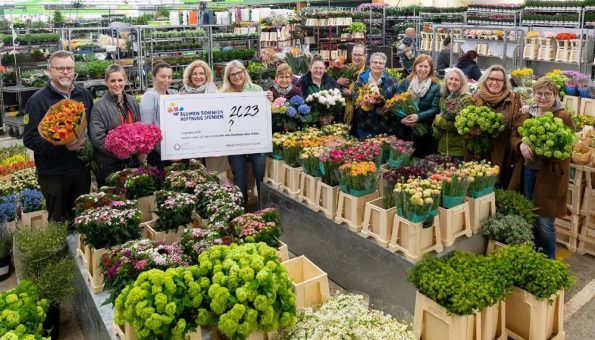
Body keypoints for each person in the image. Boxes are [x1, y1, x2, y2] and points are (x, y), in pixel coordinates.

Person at [23, 50, 93, 222]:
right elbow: (30, 139)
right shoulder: (37, 100)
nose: (65, 72)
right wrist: (61, 145)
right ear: (50, 71)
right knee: (58, 219)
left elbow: (90, 126)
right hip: (53, 173)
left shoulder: (84, 95)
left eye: (69, 68)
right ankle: (61, 249)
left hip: (80, 169)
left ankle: (80, 249)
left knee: (81, 216)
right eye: (60, 68)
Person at [509, 77, 575, 259]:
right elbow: (514, 135)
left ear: (555, 95)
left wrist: (546, 149)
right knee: (529, 216)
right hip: (528, 172)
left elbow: (569, 148)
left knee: (545, 222)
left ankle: (549, 261)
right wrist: (521, 144)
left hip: (549, 176)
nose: (543, 97)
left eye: (548, 93)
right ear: (534, 94)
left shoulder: (563, 116)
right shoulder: (528, 113)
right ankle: (533, 256)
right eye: (539, 93)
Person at [221, 60, 266, 206]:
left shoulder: (257, 90)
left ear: (244, 72)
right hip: (235, 143)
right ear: (228, 78)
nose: (236, 76)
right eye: (232, 74)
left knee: (260, 174)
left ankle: (263, 206)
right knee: (239, 176)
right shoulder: (223, 94)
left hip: (256, 141)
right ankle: (242, 208)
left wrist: (269, 101)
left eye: (238, 73)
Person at [89, 64, 142, 188]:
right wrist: (121, 152)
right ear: (106, 82)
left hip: (132, 162)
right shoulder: (99, 107)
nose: (117, 84)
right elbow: (98, 139)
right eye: (112, 81)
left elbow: (139, 127)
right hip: (110, 166)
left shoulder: (131, 101)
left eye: (120, 80)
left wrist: (139, 150)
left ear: (125, 80)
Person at [471, 65, 522, 187]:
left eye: (499, 80)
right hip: (479, 154)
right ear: (486, 79)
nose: (494, 82)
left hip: (503, 155)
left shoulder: (514, 100)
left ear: (504, 83)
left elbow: (517, 127)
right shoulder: (475, 98)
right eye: (491, 79)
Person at [179, 60, 227, 174]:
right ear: (190, 76)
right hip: (191, 142)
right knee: (195, 176)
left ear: (207, 76)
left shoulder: (215, 93)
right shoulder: (181, 93)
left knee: (214, 177)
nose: (198, 76)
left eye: (201, 73)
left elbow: (221, 120)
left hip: (213, 143)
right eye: (195, 73)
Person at [393, 55, 441, 158]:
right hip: (404, 131)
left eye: (426, 67)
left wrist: (418, 117)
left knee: (420, 163)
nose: (423, 69)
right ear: (415, 67)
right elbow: (396, 104)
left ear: (430, 69)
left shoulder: (435, 86)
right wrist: (402, 120)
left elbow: (435, 109)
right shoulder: (406, 83)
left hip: (424, 134)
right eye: (420, 66)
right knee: (403, 161)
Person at [140, 62, 179, 166]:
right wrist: (167, 153)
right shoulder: (149, 96)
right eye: (163, 76)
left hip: (176, 149)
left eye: (169, 77)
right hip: (159, 152)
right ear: (154, 77)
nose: (166, 80)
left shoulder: (174, 94)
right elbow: (148, 130)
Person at [351, 52, 398, 138]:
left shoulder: (392, 81)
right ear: (370, 63)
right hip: (365, 126)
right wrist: (373, 111)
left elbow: (397, 102)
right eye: (375, 62)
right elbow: (354, 101)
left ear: (384, 65)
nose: (377, 65)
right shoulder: (361, 80)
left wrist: (389, 108)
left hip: (386, 128)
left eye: (381, 63)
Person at [433, 68, 471, 160]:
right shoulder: (443, 98)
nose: (453, 82)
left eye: (457, 80)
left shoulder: (466, 99)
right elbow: (439, 117)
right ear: (446, 81)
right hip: (442, 148)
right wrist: (435, 124)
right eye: (450, 79)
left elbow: (462, 126)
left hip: (458, 150)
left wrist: (440, 122)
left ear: (462, 83)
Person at [337, 44, 368, 127]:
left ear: (365, 56)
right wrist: (337, 82)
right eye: (354, 54)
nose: (356, 57)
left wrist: (351, 94)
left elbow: (370, 97)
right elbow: (331, 88)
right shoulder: (345, 69)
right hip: (342, 112)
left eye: (359, 55)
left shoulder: (369, 73)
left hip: (360, 117)